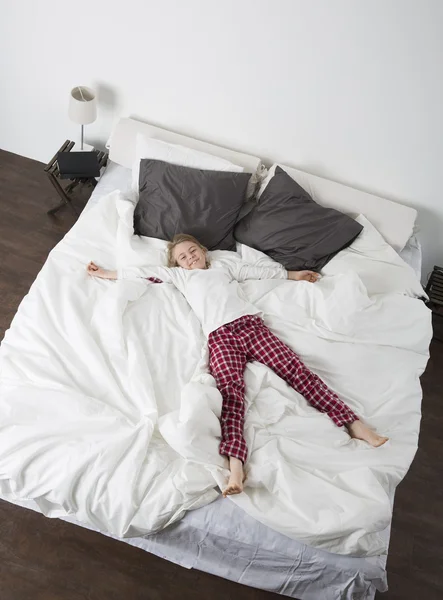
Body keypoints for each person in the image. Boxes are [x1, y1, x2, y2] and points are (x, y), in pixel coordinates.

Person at [87, 234, 388, 497]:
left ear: (203, 251)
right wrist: (106, 273)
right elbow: (144, 271)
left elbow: (257, 271)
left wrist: (293, 275)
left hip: (250, 326)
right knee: (231, 397)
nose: (190, 258)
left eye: (193, 251)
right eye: (183, 257)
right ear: (177, 264)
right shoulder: (180, 277)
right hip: (220, 339)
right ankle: (235, 467)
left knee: (297, 372)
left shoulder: (223, 265)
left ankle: (354, 424)